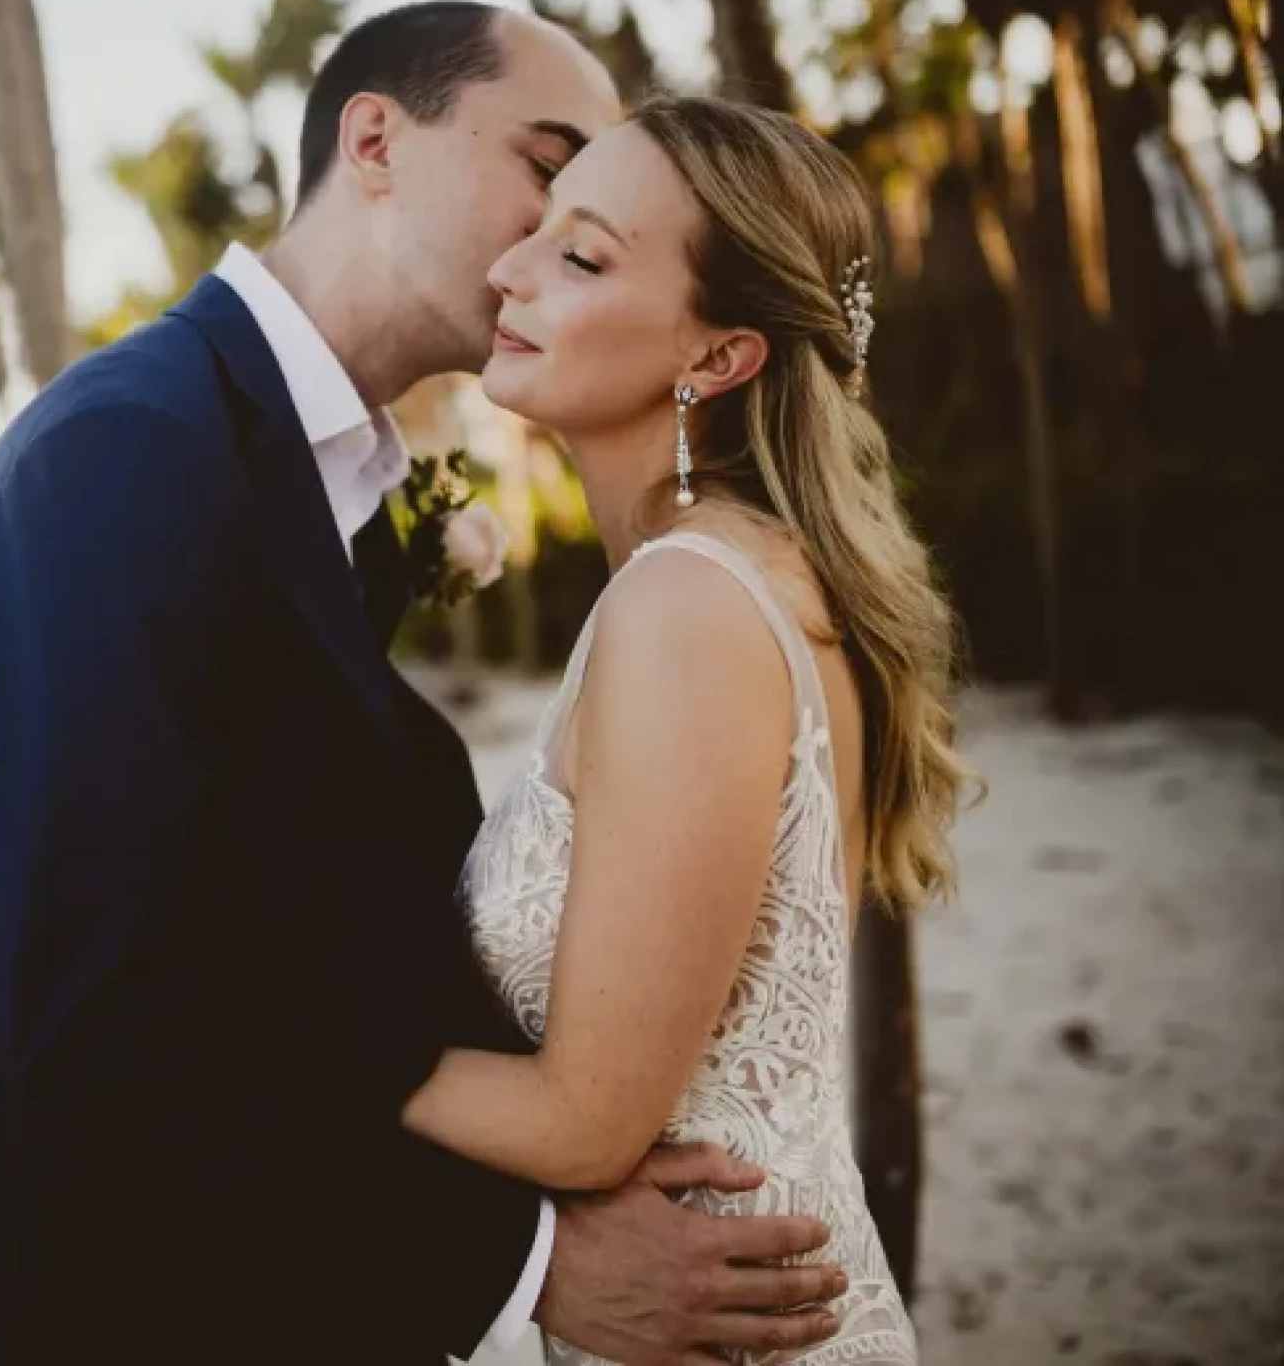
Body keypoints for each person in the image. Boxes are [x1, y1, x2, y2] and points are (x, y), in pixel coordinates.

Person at [0, 3, 852, 1366]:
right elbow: (95, 1031)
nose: (551, 239)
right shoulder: (124, 453)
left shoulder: (320, 487)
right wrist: (525, 1262)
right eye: (547, 167)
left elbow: (286, 930)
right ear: (373, 140)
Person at [401, 96, 970, 1363]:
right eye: (537, 230)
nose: (510, 268)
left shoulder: (686, 607)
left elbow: (586, 1122)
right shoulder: (736, 580)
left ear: (718, 359)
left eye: (581, 255)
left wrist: (279, 1039)